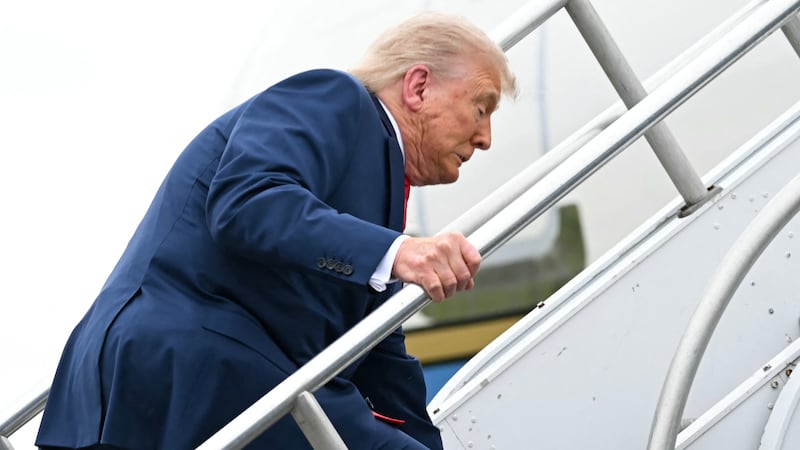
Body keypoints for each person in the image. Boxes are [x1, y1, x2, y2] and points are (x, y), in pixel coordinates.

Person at [36, 10, 516, 450]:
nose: (486, 139)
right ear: (418, 86)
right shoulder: (335, 98)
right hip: (191, 360)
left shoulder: (378, 198)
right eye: (481, 108)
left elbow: (381, 357)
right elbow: (245, 201)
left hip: (201, 374)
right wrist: (398, 252)